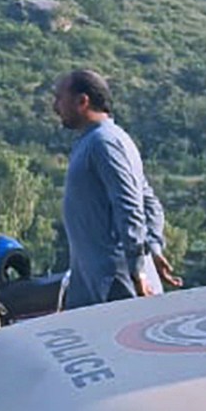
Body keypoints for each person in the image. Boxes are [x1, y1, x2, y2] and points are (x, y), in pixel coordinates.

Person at [53, 69, 176, 305]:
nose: (55, 107)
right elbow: (150, 203)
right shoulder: (98, 140)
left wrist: (138, 268)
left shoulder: (105, 142)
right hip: (96, 283)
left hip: (116, 282)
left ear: (82, 101)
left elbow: (130, 205)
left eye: (60, 98)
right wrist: (153, 247)